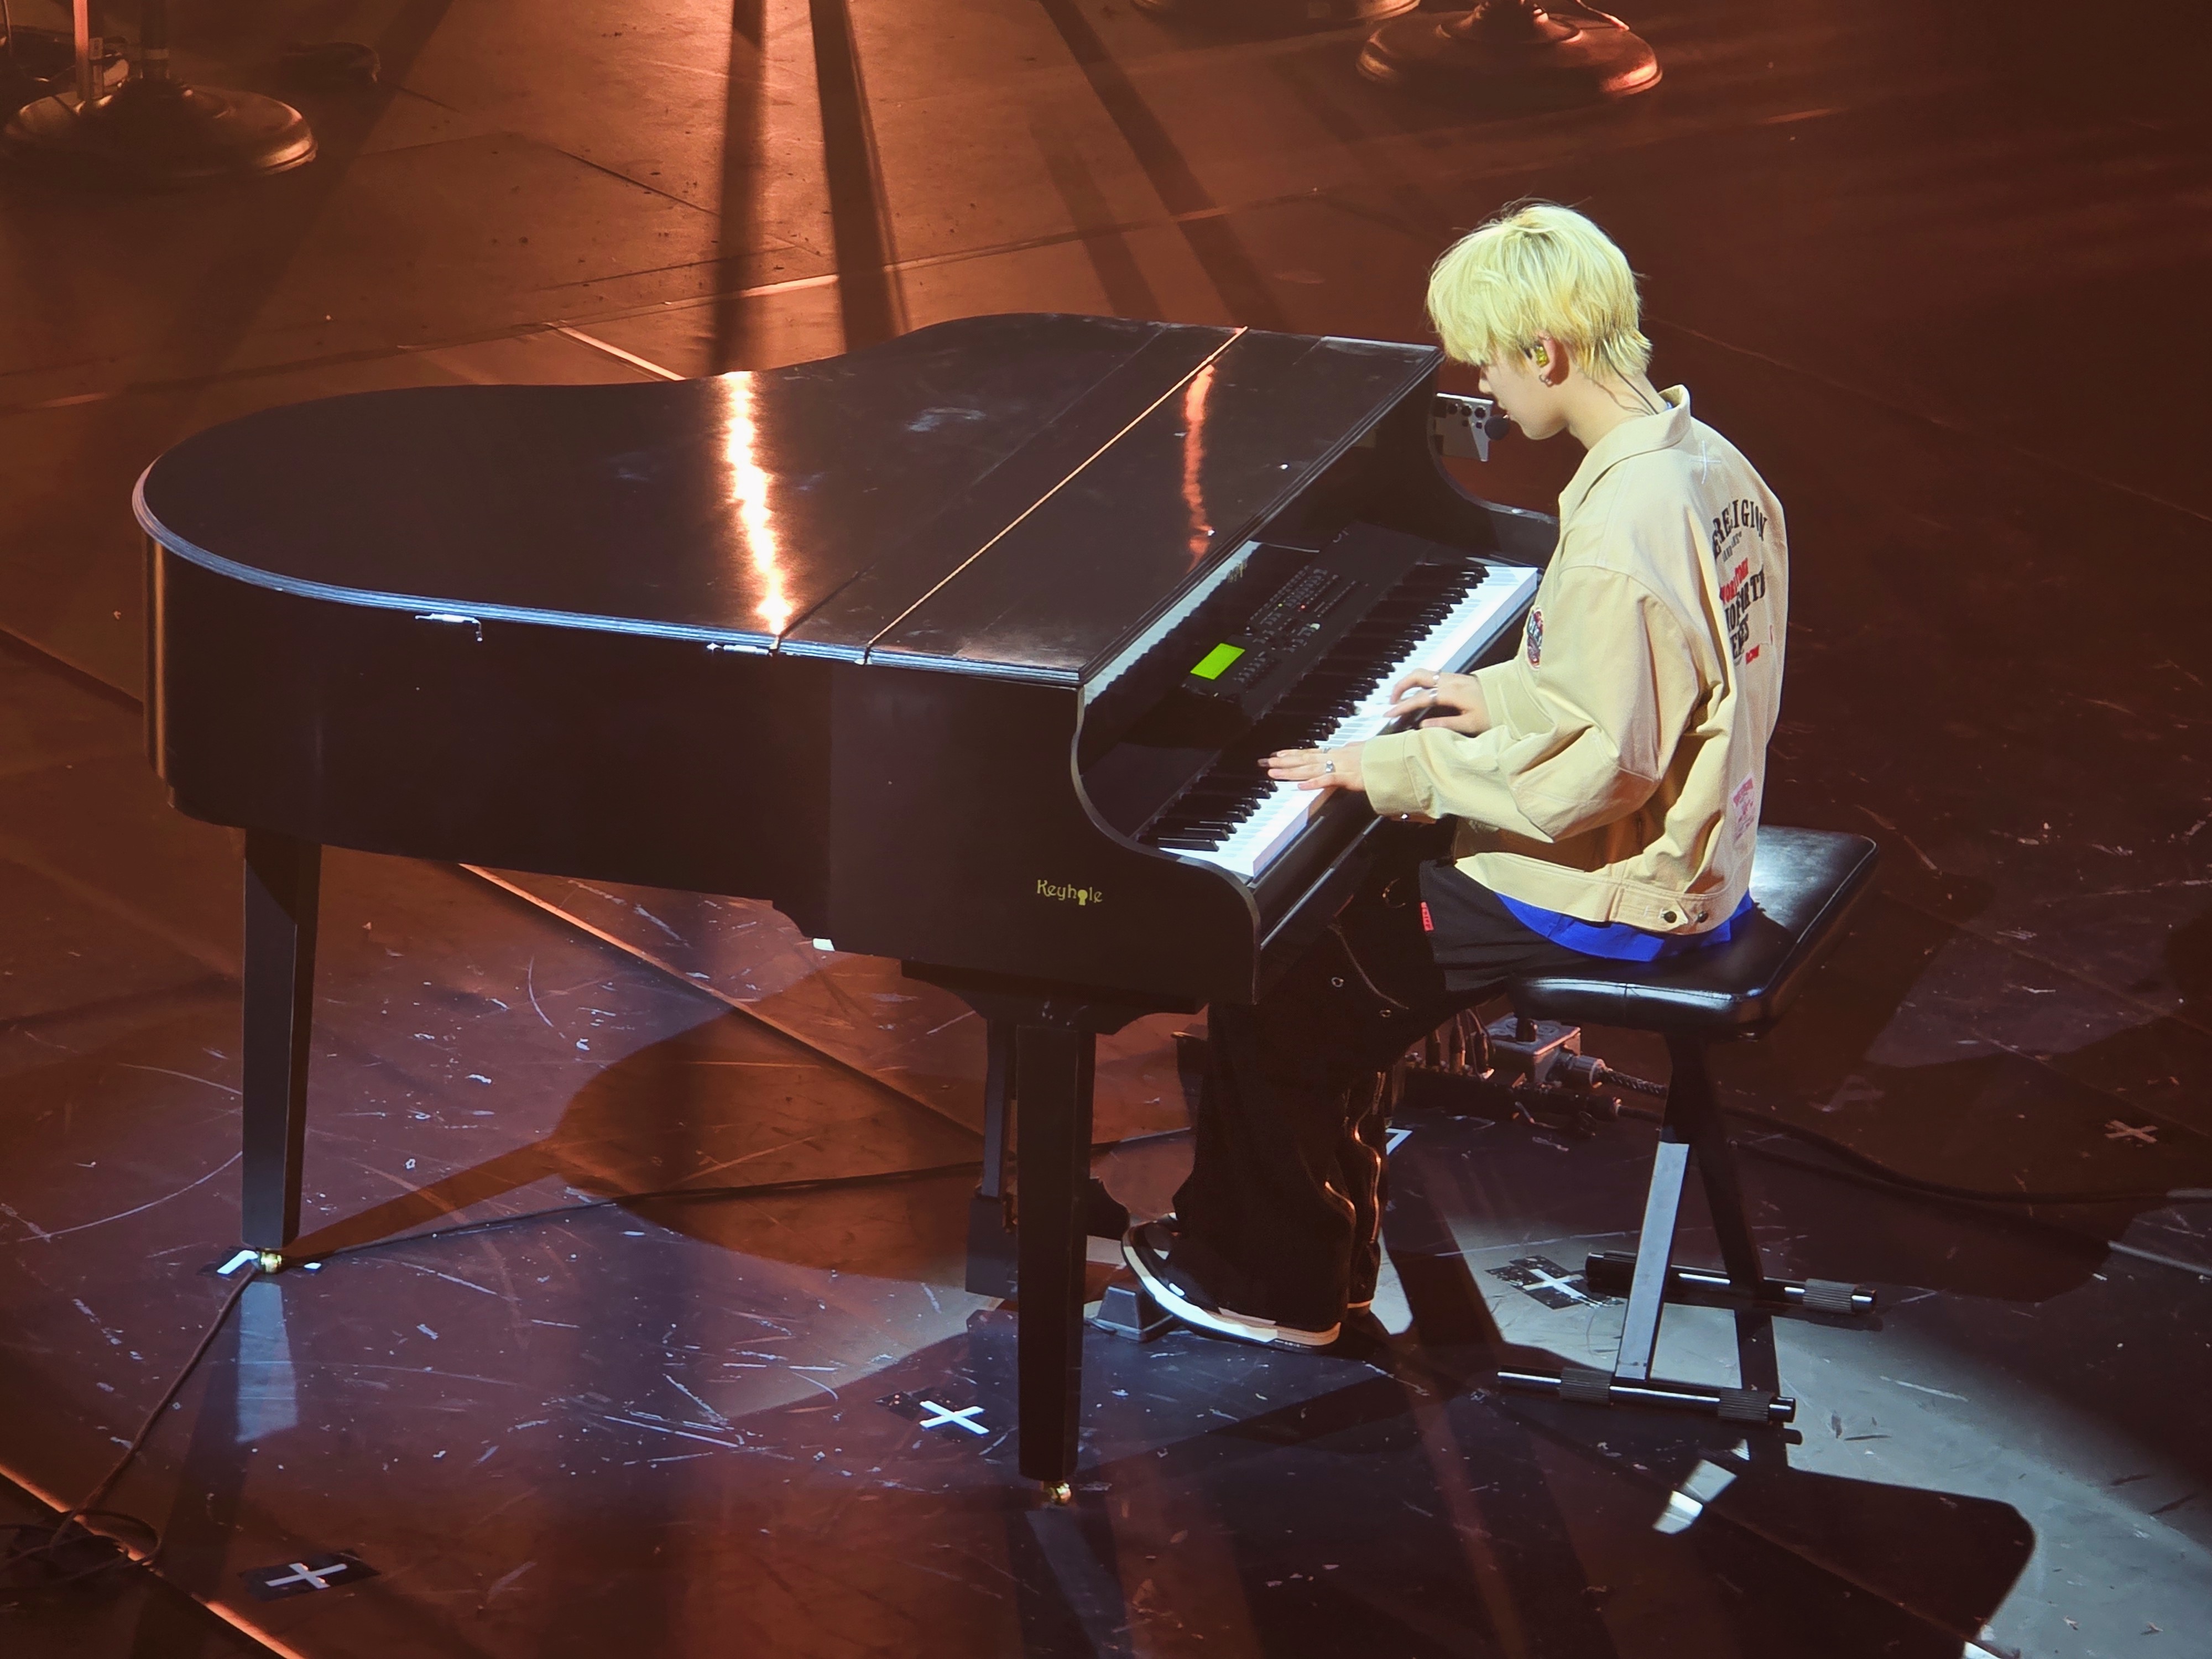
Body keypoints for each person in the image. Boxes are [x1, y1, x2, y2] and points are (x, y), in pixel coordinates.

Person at [1121, 201, 1790, 1349]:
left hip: (1614, 891)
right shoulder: (1701, 464)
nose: (1481, 382)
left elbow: (1595, 779)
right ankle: (1324, 1247)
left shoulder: (1625, 525)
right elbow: (1640, 684)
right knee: (1344, 931)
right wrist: (1499, 695)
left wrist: (1388, 765)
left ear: (1546, 351)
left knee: (1280, 987)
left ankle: (1271, 1284)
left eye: (1488, 355)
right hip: (1690, 839)